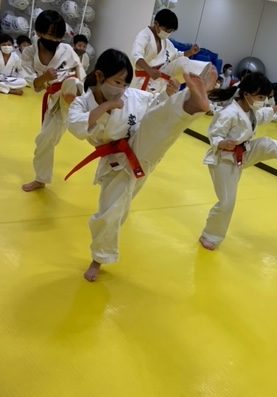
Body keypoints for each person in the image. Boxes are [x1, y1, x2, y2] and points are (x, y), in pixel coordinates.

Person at [67, 49, 216, 282]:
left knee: (157, 122)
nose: (122, 89)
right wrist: (107, 106)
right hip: (115, 161)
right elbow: (76, 126)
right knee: (111, 212)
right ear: (99, 76)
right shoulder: (82, 103)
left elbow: (155, 106)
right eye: (117, 82)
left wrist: (168, 94)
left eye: (126, 83)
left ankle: (192, 102)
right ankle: (98, 258)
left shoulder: (131, 96)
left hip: (140, 144)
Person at [199, 73, 277, 250]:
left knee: (266, 144)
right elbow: (214, 134)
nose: (263, 101)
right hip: (223, 160)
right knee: (227, 202)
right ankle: (210, 235)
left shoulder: (250, 110)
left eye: (264, 97)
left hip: (242, 153)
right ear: (247, 94)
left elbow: (261, 116)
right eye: (260, 97)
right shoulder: (229, 113)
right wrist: (222, 143)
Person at [21, 10, 83, 192]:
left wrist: (80, 93)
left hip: (72, 94)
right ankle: (41, 179)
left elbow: (79, 70)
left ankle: (76, 107)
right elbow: (34, 85)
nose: (54, 39)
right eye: (50, 34)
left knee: (72, 82)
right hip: (53, 100)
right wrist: (45, 77)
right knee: (44, 141)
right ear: (39, 32)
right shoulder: (29, 52)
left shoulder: (67, 50)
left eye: (58, 35)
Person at [131, 8, 200, 93]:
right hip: (144, 81)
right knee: (143, 101)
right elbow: (136, 56)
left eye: (170, 31)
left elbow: (176, 55)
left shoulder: (165, 41)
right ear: (156, 24)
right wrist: (149, 70)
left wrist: (190, 52)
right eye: (166, 30)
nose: (168, 33)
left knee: (183, 62)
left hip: (159, 82)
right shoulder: (144, 36)